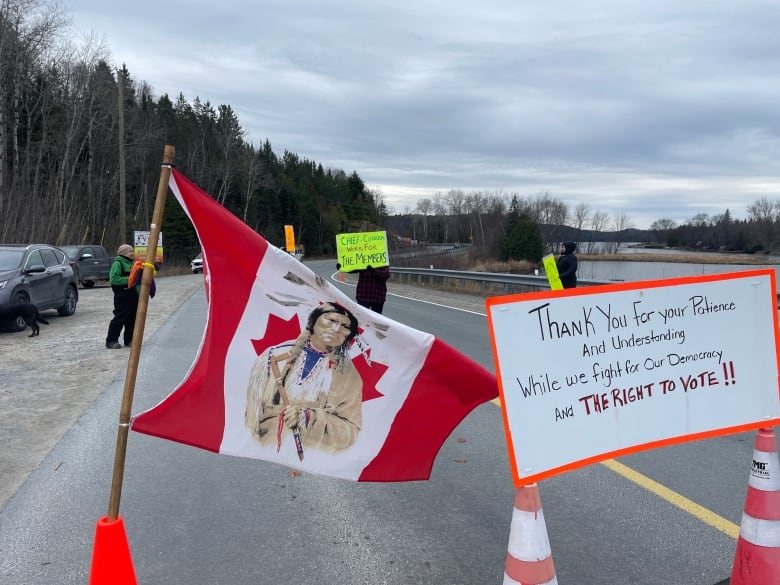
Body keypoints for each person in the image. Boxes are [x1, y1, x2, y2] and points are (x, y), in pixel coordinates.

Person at [245, 302, 363, 455]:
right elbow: (253, 410)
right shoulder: (274, 356)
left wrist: (307, 418)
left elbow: (350, 430)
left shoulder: (347, 375)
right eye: (332, 320)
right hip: (267, 447)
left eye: (345, 326)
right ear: (314, 321)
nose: (336, 329)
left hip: (312, 455)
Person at [105, 244, 139, 349]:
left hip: (133, 296)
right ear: (123, 253)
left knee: (132, 319)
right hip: (122, 296)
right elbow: (114, 279)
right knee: (120, 318)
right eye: (130, 251)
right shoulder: (118, 263)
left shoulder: (133, 263)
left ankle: (129, 340)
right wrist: (130, 280)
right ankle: (111, 341)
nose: (132, 253)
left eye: (132, 251)